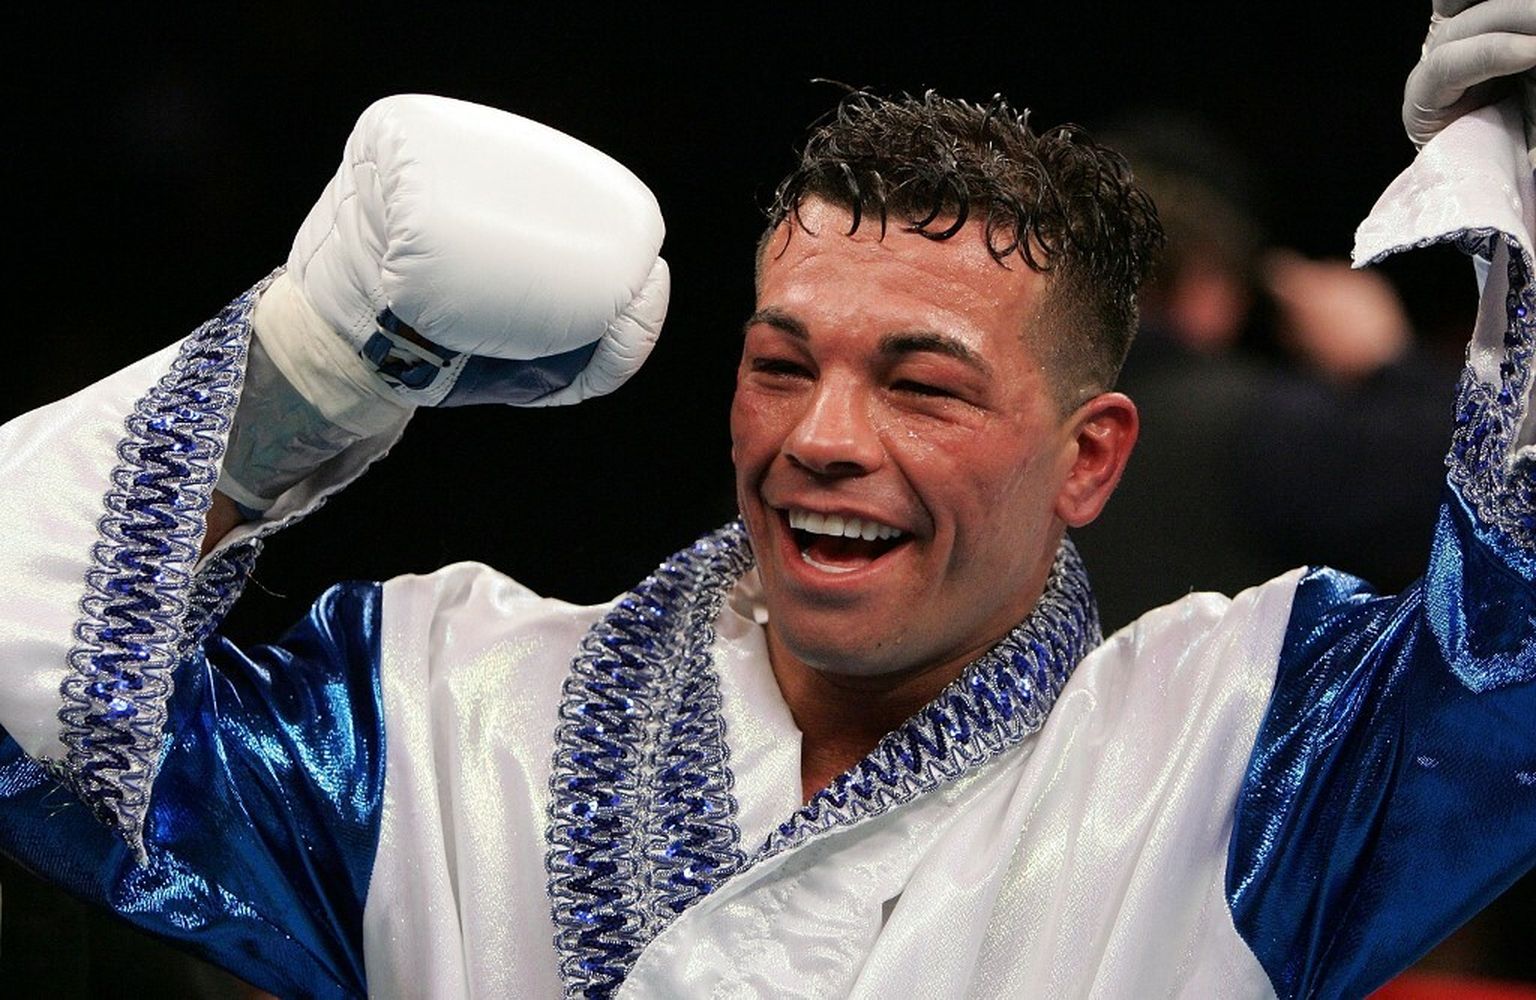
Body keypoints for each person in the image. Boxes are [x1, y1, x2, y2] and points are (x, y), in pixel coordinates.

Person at [0, 5, 1531, 999]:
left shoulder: (1233, 758)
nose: (821, 437)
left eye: (922, 386)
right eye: (782, 365)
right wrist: (303, 374)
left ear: (1089, 457)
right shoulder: (448, 707)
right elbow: (37, 729)